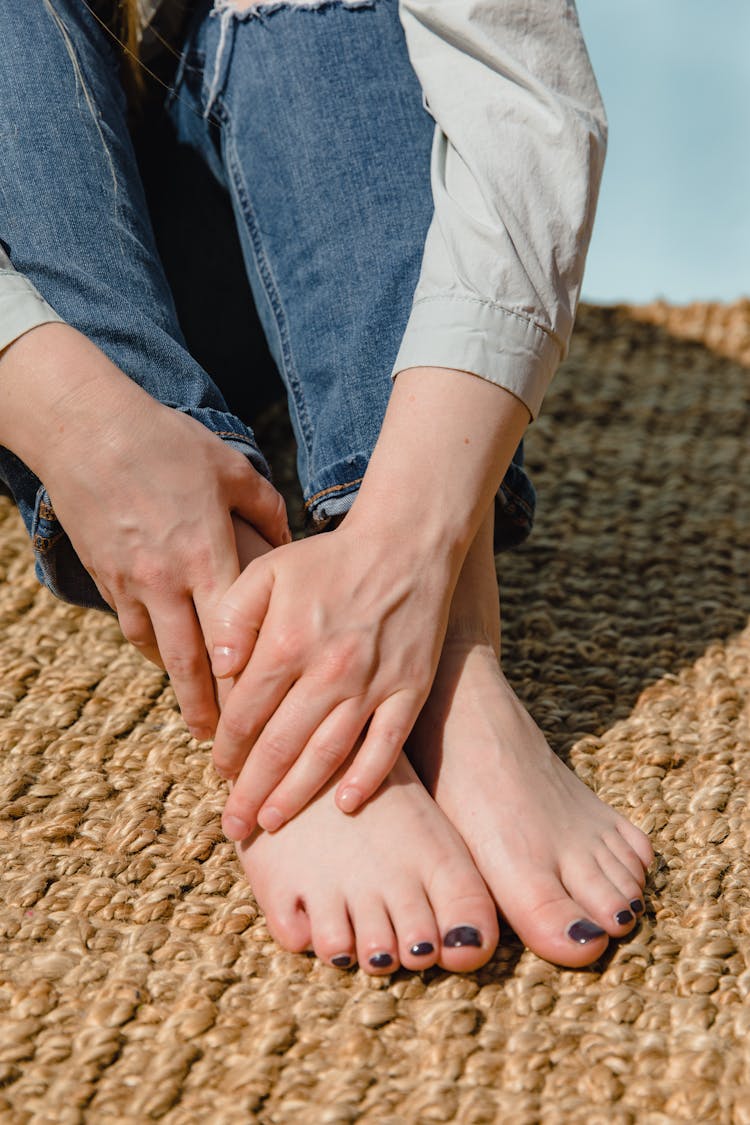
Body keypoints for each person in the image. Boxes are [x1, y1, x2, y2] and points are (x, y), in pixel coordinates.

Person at [0, 0, 653, 974]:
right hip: (52, 258)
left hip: (267, 221)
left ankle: (451, 669)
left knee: (330, 14)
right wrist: (86, 427)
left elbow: (521, 95)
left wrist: (412, 547)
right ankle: (261, 670)